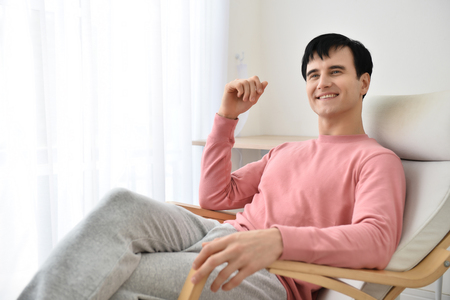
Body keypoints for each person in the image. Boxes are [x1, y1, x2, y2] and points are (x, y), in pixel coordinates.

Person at [18, 33, 406, 300]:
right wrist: (226, 117)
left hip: (270, 274)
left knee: (115, 273)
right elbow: (216, 196)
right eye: (313, 74)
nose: (322, 82)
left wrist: (276, 240)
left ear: (364, 82)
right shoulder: (287, 151)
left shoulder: (376, 160)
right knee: (121, 204)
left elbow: (375, 241)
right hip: (217, 232)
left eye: (335, 71)